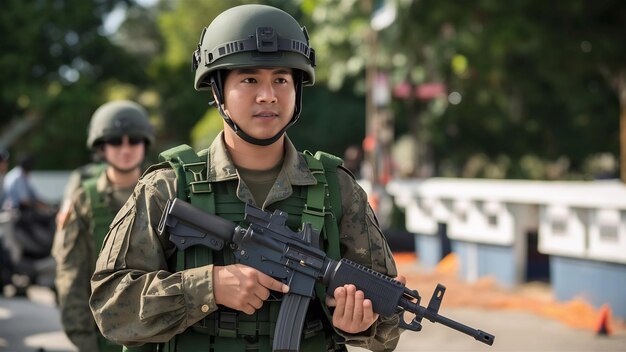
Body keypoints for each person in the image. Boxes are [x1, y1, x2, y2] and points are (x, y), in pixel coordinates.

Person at [90, 4, 402, 352]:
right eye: (250, 79)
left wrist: (358, 325)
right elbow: (110, 308)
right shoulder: (167, 187)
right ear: (217, 90)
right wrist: (209, 286)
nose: (268, 94)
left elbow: (389, 323)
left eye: (281, 79)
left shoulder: (337, 189)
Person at [52, 100, 155, 352]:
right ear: (101, 147)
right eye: (115, 141)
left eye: (134, 141)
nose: (125, 149)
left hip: (156, 331)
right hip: (102, 336)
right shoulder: (84, 200)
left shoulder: (163, 193)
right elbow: (70, 276)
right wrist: (84, 340)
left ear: (145, 144)